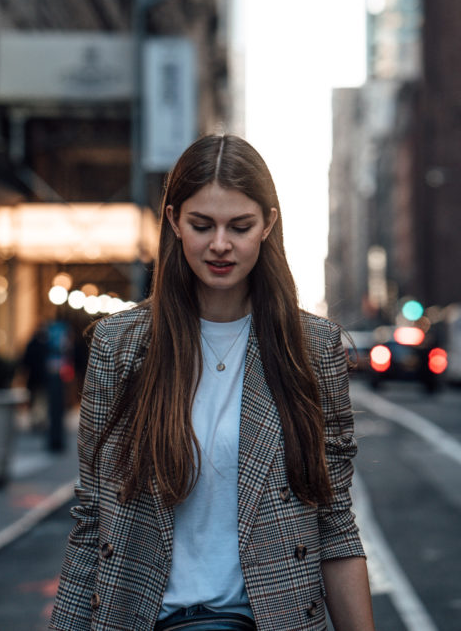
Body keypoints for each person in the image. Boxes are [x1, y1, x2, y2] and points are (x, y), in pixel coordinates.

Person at [49, 134, 375, 631]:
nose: (220, 244)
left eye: (239, 226)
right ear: (175, 221)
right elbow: (94, 522)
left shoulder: (310, 348)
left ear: (268, 223)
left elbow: (334, 524)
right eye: (202, 225)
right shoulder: (118, 346)